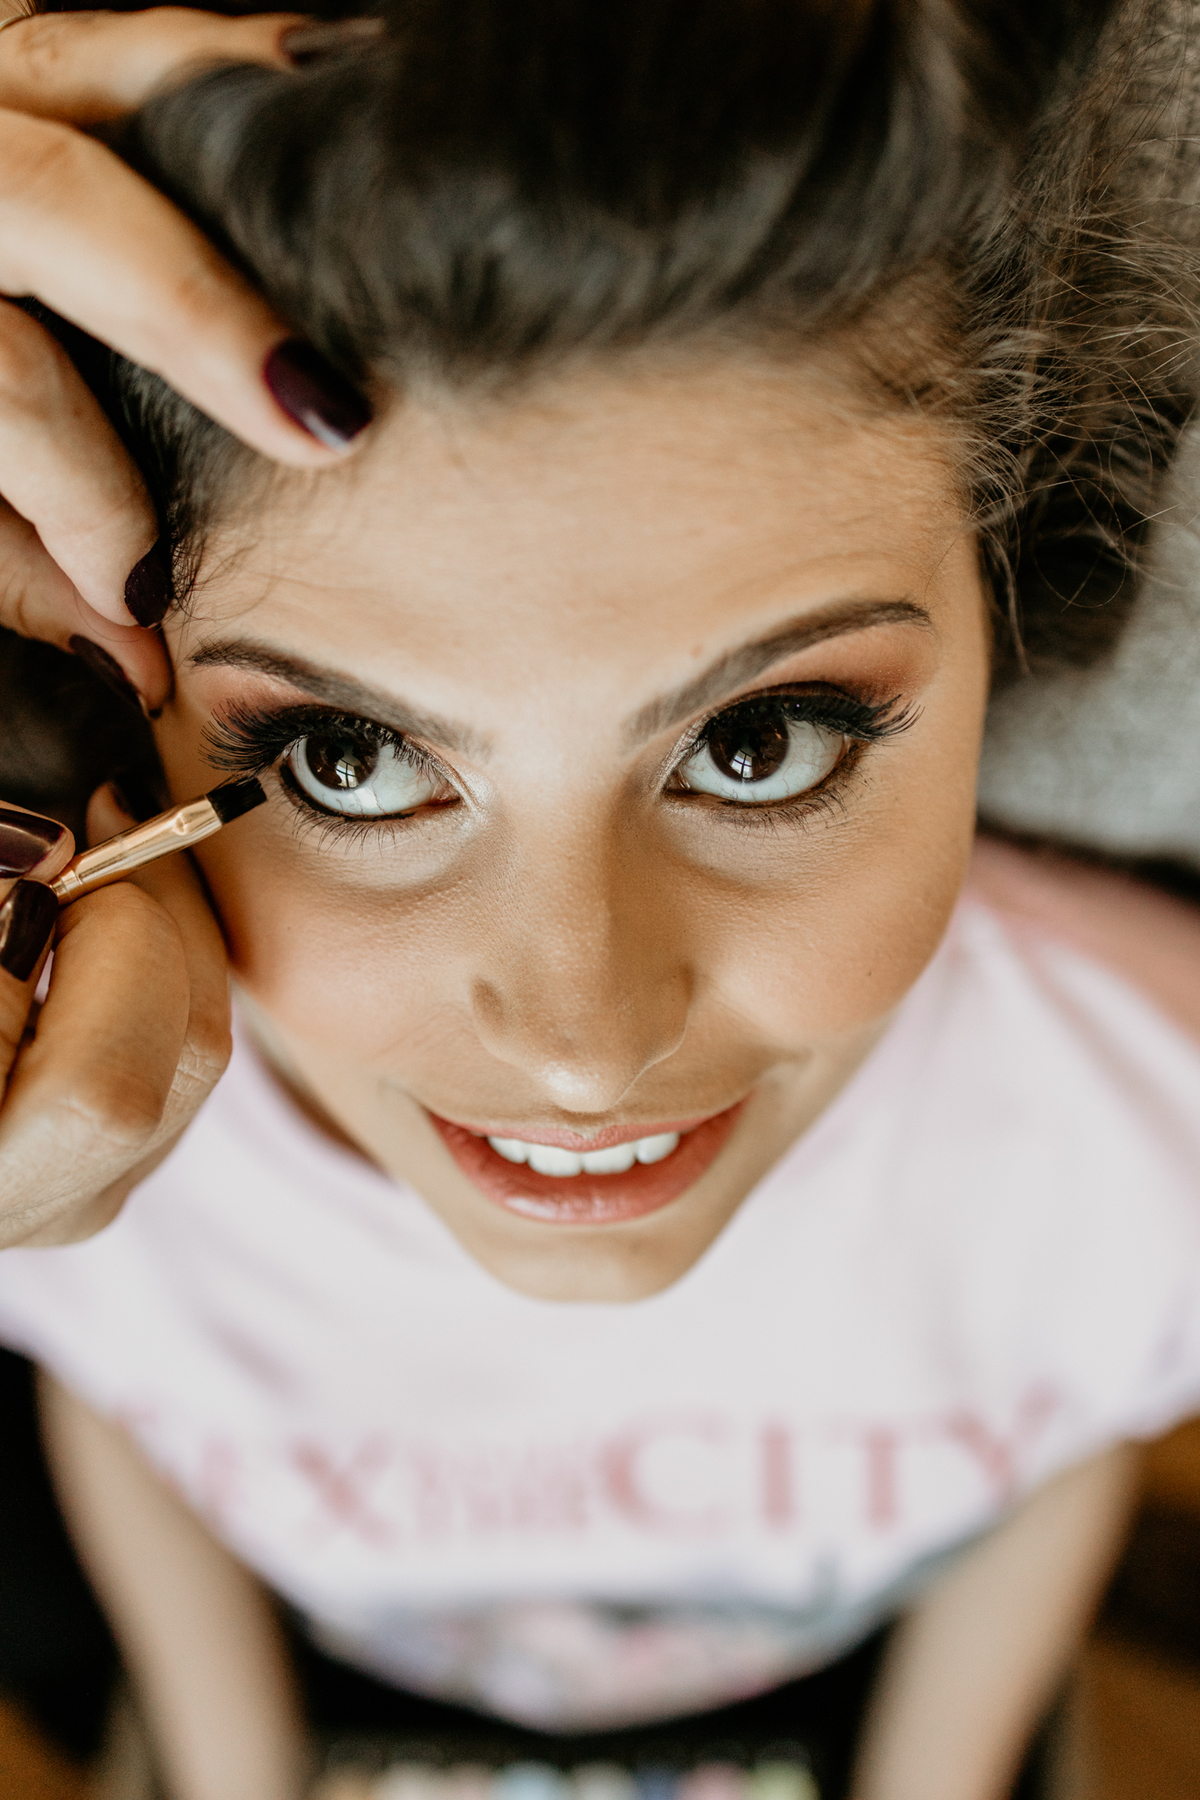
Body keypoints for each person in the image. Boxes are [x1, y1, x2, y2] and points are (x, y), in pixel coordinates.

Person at [2, 1, 1200, 1797]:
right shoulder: (85, 1134)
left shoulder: (1135, 1115)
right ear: (119, 683)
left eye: (765, 742)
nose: (580, 1048)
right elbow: (128, 1397)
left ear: (1014, 585)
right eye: (349, 762)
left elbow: (1067, 1404)